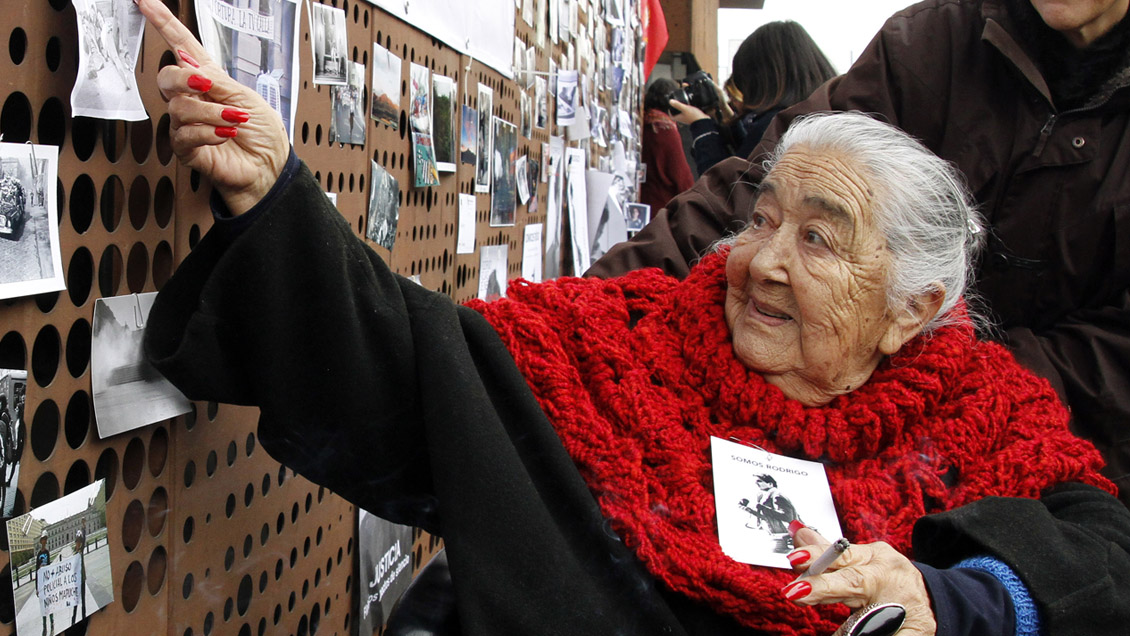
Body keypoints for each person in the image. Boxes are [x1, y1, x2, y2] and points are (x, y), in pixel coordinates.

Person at [136, 1, 1130, 634]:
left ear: (912, 312)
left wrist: (955, 603)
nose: (762, 262)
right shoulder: (626, 354)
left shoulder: (984, 418)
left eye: (818, 241)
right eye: (763, 220)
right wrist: (275, 194)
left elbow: (1100, 562)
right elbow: (414, 367)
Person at [589, 0, 1130, 507]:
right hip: (828, 413)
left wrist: (951, 389)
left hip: (1034, 444)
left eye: (818, 241)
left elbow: (1112, 358)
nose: (765, 263)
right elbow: (759, 193)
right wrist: (595, 313)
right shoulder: (931, 43)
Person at [669, 21, 835, 175]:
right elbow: (749, 157)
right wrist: (728, 117)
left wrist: (701, 126)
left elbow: (726, 190)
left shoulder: (777, 124)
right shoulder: (817, 119)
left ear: (763, 78)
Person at [639, 78, 694, 213]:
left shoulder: (644, 123)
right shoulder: (666, 130)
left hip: (644, 199)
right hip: (662, 205)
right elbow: (682, 177)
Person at [34, 531, 53, 636]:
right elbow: (36, 570)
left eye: (46, 539)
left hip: (47, 581)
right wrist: (36, 587)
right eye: (43, 539)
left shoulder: (47, 552)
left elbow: (49, 566)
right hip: (41, 583)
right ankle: (44, 625)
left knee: (48, 602)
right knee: (42, 604)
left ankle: (52, 621)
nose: (44, 541)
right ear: (41, 541)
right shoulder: (39, 554)